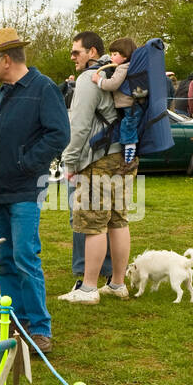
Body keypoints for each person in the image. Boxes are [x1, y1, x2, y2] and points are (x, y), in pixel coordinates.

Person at [0, 28, 70, 354]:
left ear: (5, 59)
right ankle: (15, 323)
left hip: (25, 189)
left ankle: (40, 329)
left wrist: (26, 163)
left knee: (25, 256)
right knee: (5, 259)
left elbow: (59, 134)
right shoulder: (4, 92)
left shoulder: (43, 89)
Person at [59, 30, 134, 304]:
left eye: (76, 51)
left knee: (93, 223)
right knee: (118, 219)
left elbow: (79, 126)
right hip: (124, 156)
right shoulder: (118, 70)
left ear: (92, 52)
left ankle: (88, 288)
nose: (72, 57)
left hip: (98, 159)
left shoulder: (89, 79)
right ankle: (117, 283)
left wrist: (69, 161)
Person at [93, 37, 145, 165]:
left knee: (127, 127)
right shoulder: (132, 67)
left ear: (125, 56)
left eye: (115, 54)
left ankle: (129, 154)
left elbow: (113, 84)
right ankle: (127, 150)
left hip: (129, 105)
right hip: (133, 104)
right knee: (128, 126)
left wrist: (98, 80)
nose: (111, 57)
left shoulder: (122, 68)